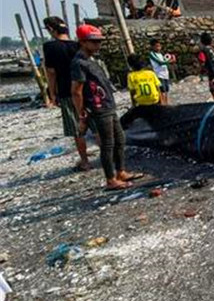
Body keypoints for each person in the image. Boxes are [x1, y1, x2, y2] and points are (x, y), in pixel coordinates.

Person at [71, 25, 141, 190]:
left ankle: (120, 171)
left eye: (99, 42)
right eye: (94, 42)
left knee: (120, 139)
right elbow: (76, 91)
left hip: (107, 105)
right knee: (107, 144)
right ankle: (110, 179)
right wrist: (82, 114)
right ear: (82, 42)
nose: (98, 45)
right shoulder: (79, 63)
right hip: (98, 108)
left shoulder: (90, 60)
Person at [42, 16, 90, 171]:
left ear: (51, 29)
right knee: (96, 124)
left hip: (66, 91)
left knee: (77, 128)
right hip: (86, 88)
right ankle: (107, 157)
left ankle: (85, 161)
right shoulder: (78, 45)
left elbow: (51, 72)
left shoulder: (50, 47)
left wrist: (52, 93)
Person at [198, 32, 214, 102]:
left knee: (212, 89)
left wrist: (202, 70)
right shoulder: (213, 50)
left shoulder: (203, 51)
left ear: (201, 42)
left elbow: (202, 60)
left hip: (211, 71)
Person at [148, 39, 174, 104]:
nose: (159, 48)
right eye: (157, 46)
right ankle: (163, 103)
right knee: (161, 90)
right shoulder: (152, 54)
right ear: (152, 47)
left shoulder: (160, 54)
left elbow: (164, 60)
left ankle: (166, 103)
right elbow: (160, 62)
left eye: (159, 46)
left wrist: (170, 58)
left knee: (166, 90)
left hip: (165, 74)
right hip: (159, 74)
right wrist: (170, 61)